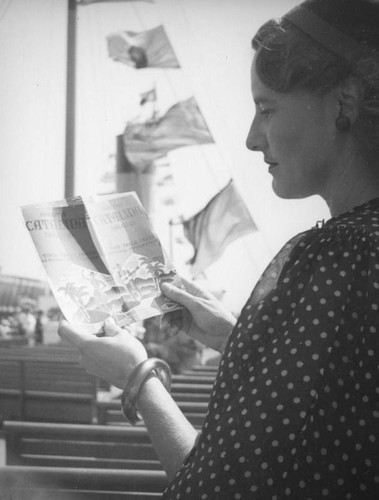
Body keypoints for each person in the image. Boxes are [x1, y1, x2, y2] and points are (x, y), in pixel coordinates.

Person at [58, 0, 379, 497]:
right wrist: (241, 338)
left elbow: (209, 491)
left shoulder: (336, 257)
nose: (252, 139)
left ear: (345, 101)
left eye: (267, 108)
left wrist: (138, 376)